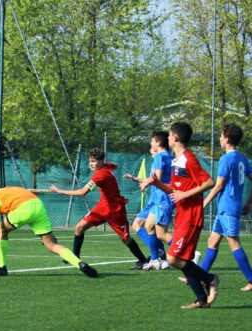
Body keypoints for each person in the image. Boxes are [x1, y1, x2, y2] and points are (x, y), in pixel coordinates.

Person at [143, 122, 219, 309]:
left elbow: (209, 182)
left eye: (169, 135)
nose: (167, 138)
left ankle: (211, 279)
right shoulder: (176, 160)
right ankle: (201, 299)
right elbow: (174, 189)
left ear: (175, 137)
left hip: (192, 216)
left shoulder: (188, 159)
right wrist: (156, 184)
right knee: (182, 260)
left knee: (173, 259)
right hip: (183, 215)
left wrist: (185, 194)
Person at [0, 177, 97, 278]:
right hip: (38, 206)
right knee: (51, 245)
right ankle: (79, 263)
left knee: (1, 229)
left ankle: (1, 268)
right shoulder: (8, 189)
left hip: (24, 208)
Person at [50, 148, 149, 269]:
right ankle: (75, 258)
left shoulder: (100, 175)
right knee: (79, 227)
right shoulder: (106, 166)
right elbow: (114, 165)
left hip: (115, 211)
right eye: (89, 161)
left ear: (101, 161)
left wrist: (59, 191)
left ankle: (143, 260)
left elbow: (82, 193)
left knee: (126, 238)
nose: (90, 164)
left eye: (93, 161)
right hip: (102, 207)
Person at [195, 123, 252, 291]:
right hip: (227, 208)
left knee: (233, 242)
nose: (219, 139)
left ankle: (251, 278)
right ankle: (200, 276)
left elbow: (219, 185)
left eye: (221, 136)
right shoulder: (242, 158)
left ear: (227, 139)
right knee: (212, 241)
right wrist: (248, 203)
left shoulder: (226, 159)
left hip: (227, 207)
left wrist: (204, 203)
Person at [123, 131, 174, 270]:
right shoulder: (168, 157)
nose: (150, 145)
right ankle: (156, 257)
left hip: (162, 199)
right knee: (139, 224)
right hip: (156, 199)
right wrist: (136, 179)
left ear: (158, 142)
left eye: (152, 142)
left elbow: (156, 178)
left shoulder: (160, 157)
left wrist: (145, 184)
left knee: (158, 232)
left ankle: (187, 253)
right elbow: (156, 178)